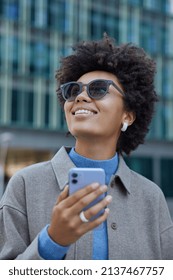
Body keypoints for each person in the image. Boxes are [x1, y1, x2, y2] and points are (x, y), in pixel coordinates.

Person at [0, 34, 173, 260]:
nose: (80, 97)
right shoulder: (24, 184)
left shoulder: (152, 198)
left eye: (99, 89)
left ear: (128, 116)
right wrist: (52, 241)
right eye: (73, 90)